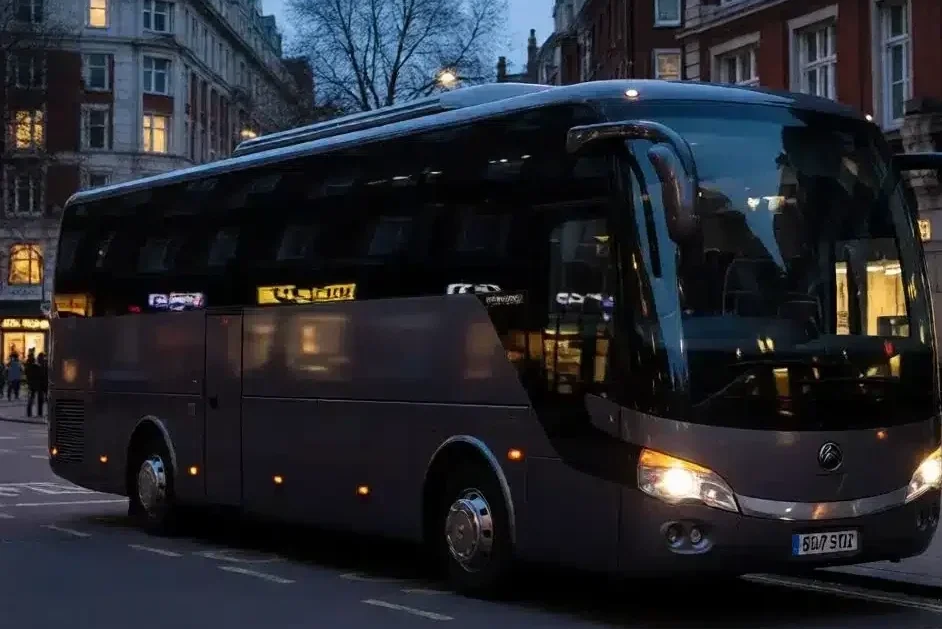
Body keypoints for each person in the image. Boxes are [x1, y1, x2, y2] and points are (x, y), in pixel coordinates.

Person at [26, 353, 47, 418]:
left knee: (32, 398)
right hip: (38, 384)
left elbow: (28, 375)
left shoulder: (29, 366)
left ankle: (29, 413)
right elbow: (42, 376)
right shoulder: (37, 366)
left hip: (33, 384)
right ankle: (39, 413)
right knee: (40, 399)